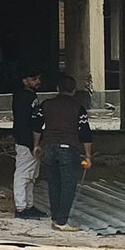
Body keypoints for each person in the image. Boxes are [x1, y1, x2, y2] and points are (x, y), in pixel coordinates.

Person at [34, 74, 93, 232]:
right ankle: (62, 222)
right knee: (68, 185)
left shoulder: (46, 104)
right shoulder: (78, 108)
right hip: (68, 148)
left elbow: (37, 126)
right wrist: (88, 156)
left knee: (53, 184)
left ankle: (55, 218)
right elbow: (85, 133)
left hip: (49, 148)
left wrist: (36, 145)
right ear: (73, 90)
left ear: (57, 89)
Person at [11, 67, 46, 219]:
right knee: (23, 174)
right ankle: (21, 208)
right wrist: (33, 143)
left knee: (31, 175)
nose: (38, 81)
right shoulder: (24, 97)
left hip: (27, 139)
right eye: (34, 79)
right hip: (26, 140)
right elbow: (28, 122)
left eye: (38, 78)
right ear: (25, 81)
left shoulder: (27, 96)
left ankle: (28, 205)